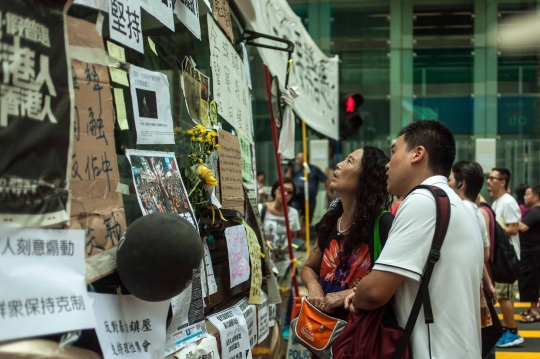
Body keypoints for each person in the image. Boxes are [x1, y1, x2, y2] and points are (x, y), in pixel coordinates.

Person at [345, 120, 483, 358]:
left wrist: (357, 293)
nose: (388, 165)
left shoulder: (423, 201)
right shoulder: (454, 204)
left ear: (417, 154)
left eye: (394, 151)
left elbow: (376, 291)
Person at [300, 146, 393, 321]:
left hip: (360, 336)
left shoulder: (384, 224)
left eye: (349, 161)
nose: (339, 165)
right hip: (322, 332)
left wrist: (350, 294)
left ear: (367, 179)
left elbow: (392, 283)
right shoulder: (329, 221)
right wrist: (314, 287)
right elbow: (309, 267)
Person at [448, 160, 502, 358]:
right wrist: (488, 285)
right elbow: (483, 255)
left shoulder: (456, 212)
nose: (446, 184)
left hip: (461, 288)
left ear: (461, 184)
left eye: (449, 179)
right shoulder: (479, 213)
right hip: (475, 284)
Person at [487, 167, 524, 347]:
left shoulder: (508, 202)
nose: (488, 181)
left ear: (502, 182)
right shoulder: (497, 202)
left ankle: (513, 331)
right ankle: (507, 328)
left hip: (508, 256)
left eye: (492, 178)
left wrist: (494, 231)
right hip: (501, 255)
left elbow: (513, 228)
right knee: (501, 294)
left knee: (505, 295)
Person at [259, 178, 301, 279]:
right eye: (281, 189)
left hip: (284, 265)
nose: (285, 193)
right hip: (263, 264)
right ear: (274, 190)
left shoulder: (293, 213)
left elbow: (295, 238)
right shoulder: (261, 209)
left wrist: (288, 247)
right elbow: (252, 234)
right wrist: (264, 242)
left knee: (283, 294)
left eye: (290, 192)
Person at [518, 185, 540, 323]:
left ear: (536, 196)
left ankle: (534, 312)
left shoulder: (535, 212)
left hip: (533, 253)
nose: (525, 197)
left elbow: (523, 227)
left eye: (528, 194)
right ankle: (532, 309)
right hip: (532, 252)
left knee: (532, 281)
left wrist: (512, 222)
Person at [289, 152, 327, 223]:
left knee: (306, 221)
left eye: (298, 158)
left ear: (305, 159)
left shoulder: (314, 170)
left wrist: (328, 192)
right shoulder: (297, 172)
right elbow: (287, 181)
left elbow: (325, 179)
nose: (296, 160)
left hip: (310, 200)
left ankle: (304, 232)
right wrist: (290, 168)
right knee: (294, 218)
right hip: (297, 200)